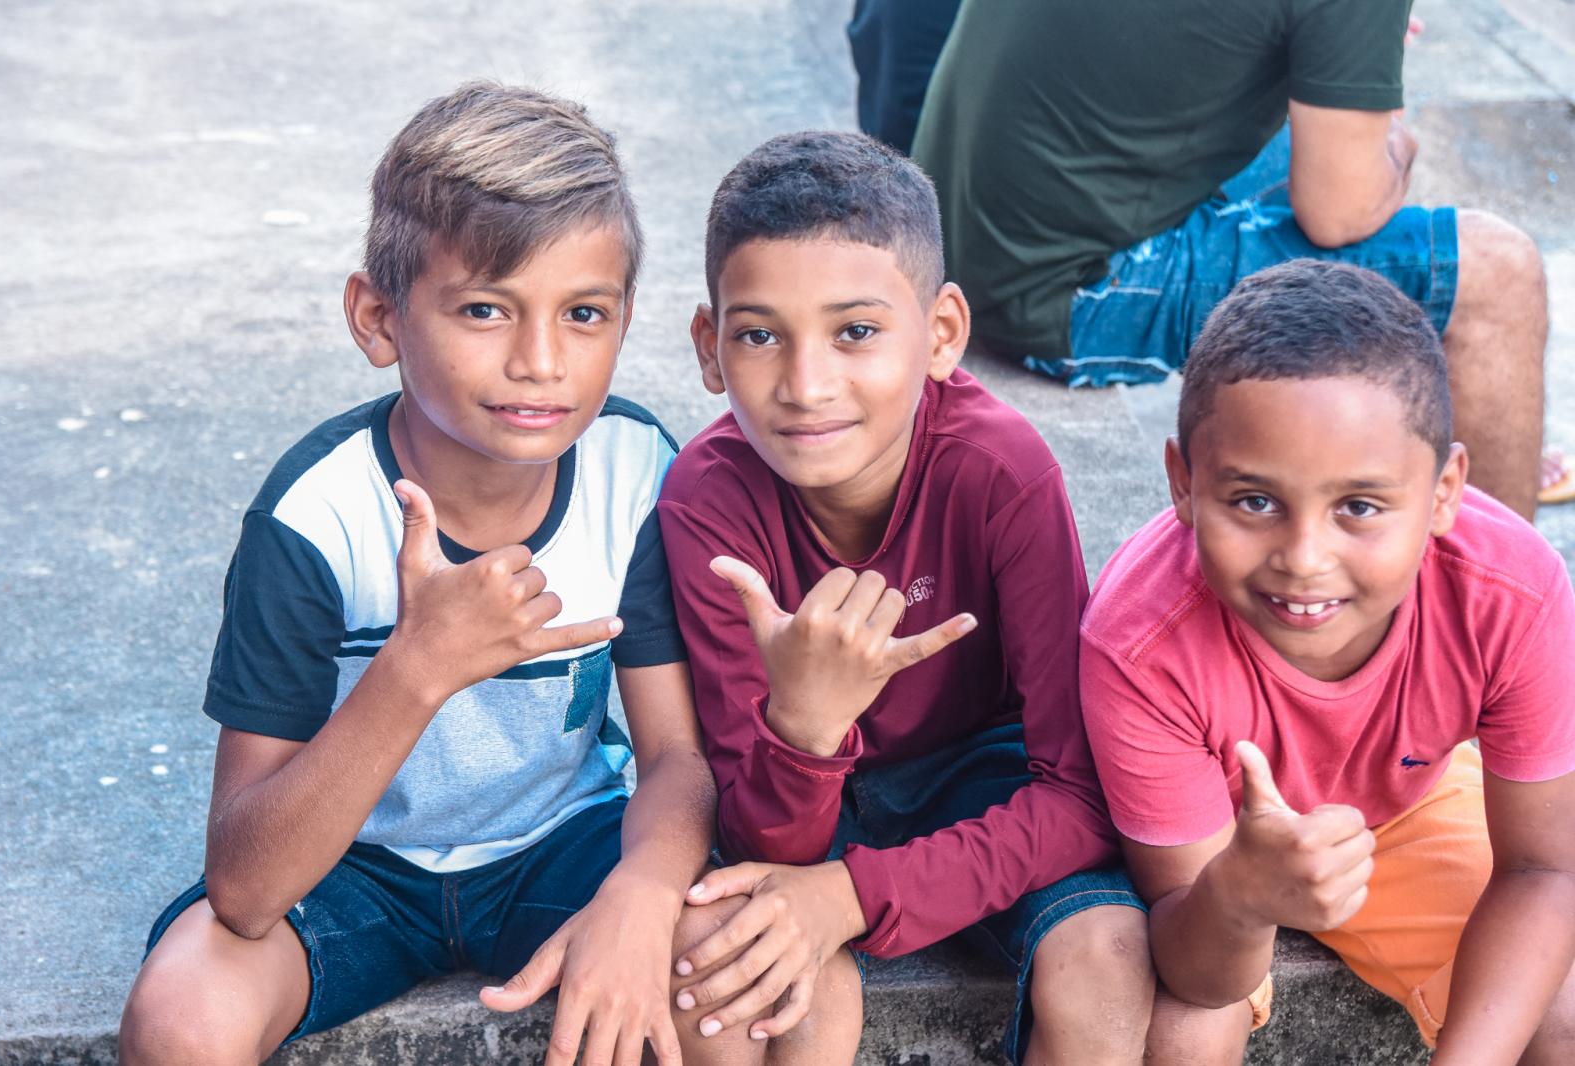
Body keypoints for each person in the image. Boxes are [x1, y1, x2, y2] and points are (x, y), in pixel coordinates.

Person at [117, 81, 716, 1066]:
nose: (539, 360)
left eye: (582, 313)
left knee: (713, 971)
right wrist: (417, 668)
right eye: (484, 308)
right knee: (183, 1016)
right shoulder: (313, 517)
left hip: (561, 844)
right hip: (349, 866)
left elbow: (677, 758)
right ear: (378, 318)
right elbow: (246, 885)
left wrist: (642, 896)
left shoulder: (637, 471)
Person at [656, 130, 1215, 1066]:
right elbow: (760, 833)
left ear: (943, 335)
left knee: (1108, 958)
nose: (805, 384)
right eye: (759, 335)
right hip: (798, 803)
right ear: (710, 348)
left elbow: (1079, 795)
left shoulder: (1001, 473)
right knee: (726, 980)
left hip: (986, 784)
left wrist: (854, 896)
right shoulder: (707, 503)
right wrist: (806, 724)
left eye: (857, 332)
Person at [1081, 259, 1575, 1063]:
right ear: (1183, 482)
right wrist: (1242, 897)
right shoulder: (1140, 642)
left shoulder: (1512, 592)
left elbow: (1544, 871)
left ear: (1445, 490)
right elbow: (1192, 958)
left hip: (1405, 809)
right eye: (1254, 501)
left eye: (1359, 507)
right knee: (1180, 1035)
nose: (1305, 559)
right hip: (1218, 852)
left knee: (1560, 1017)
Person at [900, 0, 1547, 520]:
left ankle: (1451, 427)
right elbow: (1340, 212)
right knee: (1497, 269)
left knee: (1323, 129)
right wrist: (1393, 140)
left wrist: (1345, 53)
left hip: (959, 222)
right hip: (1058, 292)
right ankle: (1506, 615)